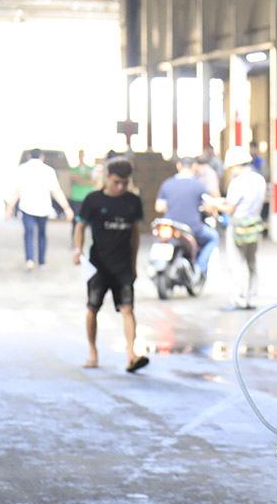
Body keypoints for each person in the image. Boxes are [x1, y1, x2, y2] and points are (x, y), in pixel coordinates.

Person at [73, 158, 149, 373]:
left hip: (123, 265)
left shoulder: (133, 201)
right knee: (92, 309)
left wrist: (134, 265)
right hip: (98, 265)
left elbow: (134, 234)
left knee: (128, 309)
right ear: (107, 178)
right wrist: (77, 250)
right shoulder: (93, 200)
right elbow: (80, 226)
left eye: (125, 183)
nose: (121, 187)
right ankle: (93, 353)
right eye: (116, 182)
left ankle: (131, 355)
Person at [213, 146, 267, 310]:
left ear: (236, 165)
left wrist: (214, 204)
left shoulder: (237, 183)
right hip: (255, 226)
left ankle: (239, 299)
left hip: (238, 227)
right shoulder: (259, 180)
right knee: (252, 263)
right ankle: (252, 298)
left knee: (237, 264)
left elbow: (230, 208)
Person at [5, 148, 74, 270]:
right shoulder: (48, 171)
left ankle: (30, 260)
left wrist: (10, 208)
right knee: (42, 234)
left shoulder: (22, 169)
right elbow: (56, 191)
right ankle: (42, 262)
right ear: (42, 157)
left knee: (28, 234)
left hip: (26, 207)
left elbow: (17, 191)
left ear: (28, 156)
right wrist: (67, 208)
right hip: (43, 208)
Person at [155, 158, 219, 278]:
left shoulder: (167, 183)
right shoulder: (198, 185)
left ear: (178, 166)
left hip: (170, 226)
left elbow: (159, 207)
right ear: (193, 166)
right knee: (213, 238)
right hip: (193, 227)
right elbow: (209, 205)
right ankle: (201, 267)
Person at [69, 150, 95, 243]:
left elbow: (94, 181)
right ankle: (75, 241)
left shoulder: (91, 169)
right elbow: (74, 179)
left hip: (88, 198)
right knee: (76, 221)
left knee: (90, 221)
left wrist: (82, 180)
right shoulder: (73, 169)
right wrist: (86, 180)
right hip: (76, 198)